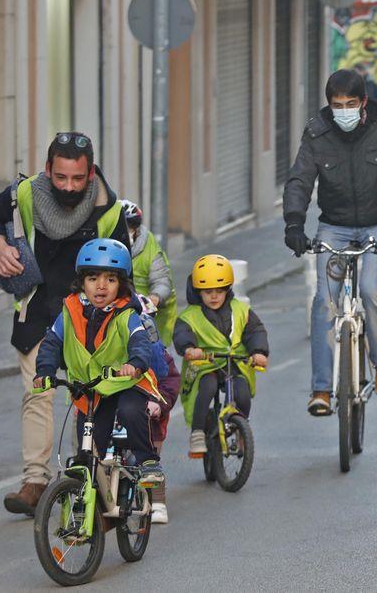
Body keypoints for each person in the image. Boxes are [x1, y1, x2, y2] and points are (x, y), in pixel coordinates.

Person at [0, 132, 130, 516]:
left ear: (90, 172)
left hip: (90, 317)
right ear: (48, 170)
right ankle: (35, 480)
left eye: (77, 179)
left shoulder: (109, 211)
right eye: (61, 177)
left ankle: (93, 480)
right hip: (39, 307)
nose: (68, 186)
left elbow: (122, 270)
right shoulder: (28, 193)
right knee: (38, 393)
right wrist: (1, 247)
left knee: (93, 396)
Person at [282, 68, 377, 416]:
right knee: (324, 303)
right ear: (329, 104)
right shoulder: (317, 134)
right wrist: (294, 223)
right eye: (336, 104)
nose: (343, 110)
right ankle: (322, 389)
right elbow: (299, 180)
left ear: (363, 104)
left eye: (350, 104)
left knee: (373, 289)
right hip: (335, 228)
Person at [31, 238, 166, 489]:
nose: (101, 286)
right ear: (82, 282)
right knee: (90, 443)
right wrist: (45, 371)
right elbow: (51, 342)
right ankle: (89, 497)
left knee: (130, 412)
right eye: (93, 278)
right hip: (93, 387)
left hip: (126, 382)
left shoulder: (127, 314)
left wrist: (135, 363)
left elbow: (139, 341)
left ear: (121, 285)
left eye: (111, 280)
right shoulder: (69, 312)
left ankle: (148, 461)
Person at [174, 254, 270, 457]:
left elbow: (255, 331)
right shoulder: (189, 315)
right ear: (198, 292)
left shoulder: (241, 310)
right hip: (204, 366)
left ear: (228, 290)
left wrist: (258, 352)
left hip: (234, 363)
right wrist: (190, 348)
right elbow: (182, 333)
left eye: (219, 291)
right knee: (206, 388)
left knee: (242, 392)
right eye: (208, 292)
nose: (214, 297)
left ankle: (240, 427)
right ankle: (198, 432)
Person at [120, 199, 176, 346]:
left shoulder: (149, 246)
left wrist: (154, 298)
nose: (127, 232)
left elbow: (162, 280)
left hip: (147, 314)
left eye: (130, 228)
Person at [148, 351, 179, 524]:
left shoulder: (156, 350)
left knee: (150, 458)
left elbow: (171, 381)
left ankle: (158, 501)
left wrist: (159, 404)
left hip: (151, 418)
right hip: (117, 412)